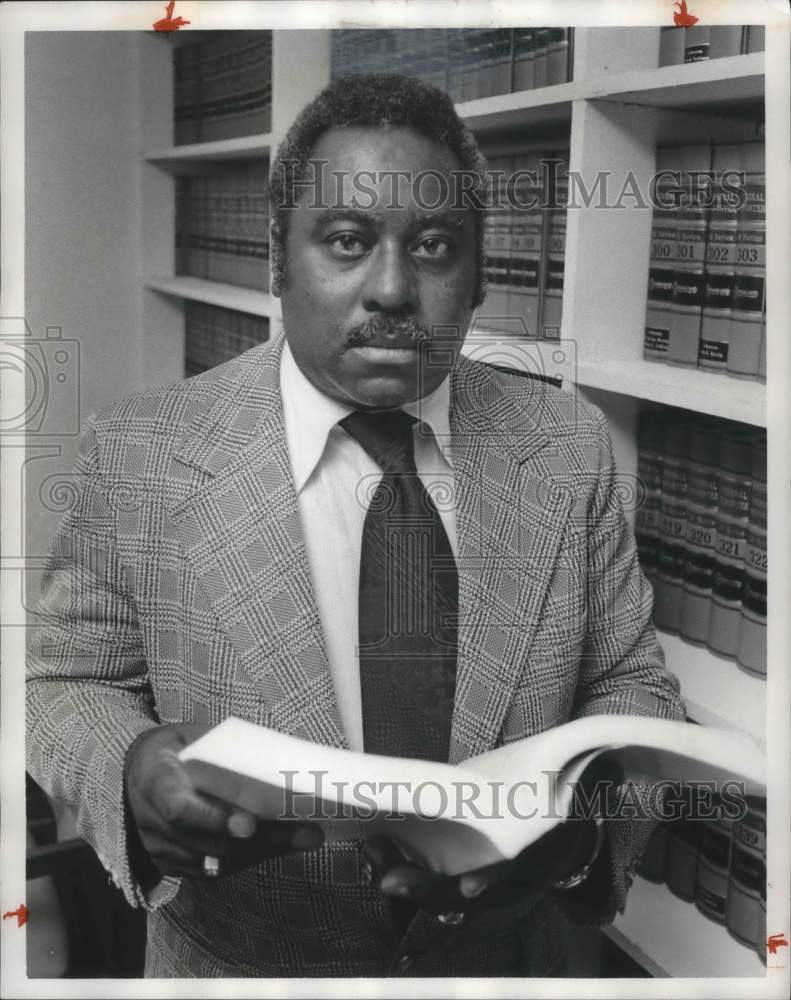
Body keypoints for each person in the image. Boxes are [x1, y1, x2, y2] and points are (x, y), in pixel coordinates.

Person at [26, 72, 685, 978]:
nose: (391, 288)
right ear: (277, 259)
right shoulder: (142, 452)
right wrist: (128, 769)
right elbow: (59, 683)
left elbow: (631, 689)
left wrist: (574, 837)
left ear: (481, 272)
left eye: (434, 245)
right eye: (346, 241)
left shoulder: (566, 446)